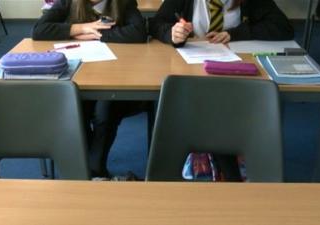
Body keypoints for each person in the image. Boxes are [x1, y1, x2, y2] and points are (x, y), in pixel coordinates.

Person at [32, 0, 147, 177]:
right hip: (79, 77)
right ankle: (93, 169)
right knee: (77, 106)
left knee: (105, 110)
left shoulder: (124, 2)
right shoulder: (68, 2)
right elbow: (39, 30)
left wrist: (98, 34)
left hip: (115, 77)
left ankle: (93, 169)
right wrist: (81, 28)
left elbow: (139, 32)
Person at [150, 0, 294, 46]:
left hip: (236, 66)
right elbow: (156, 24)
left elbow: (283, 27)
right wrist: (172, 34)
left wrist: (235, 34)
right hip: (189, 64)